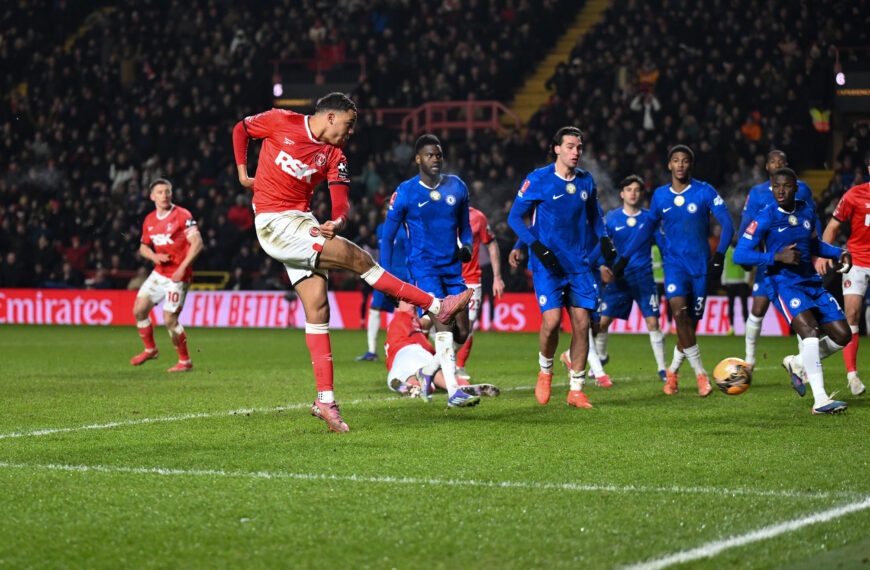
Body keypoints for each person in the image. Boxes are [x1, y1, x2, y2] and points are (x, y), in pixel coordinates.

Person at [232, 93, 472, 433]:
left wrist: (338, 222)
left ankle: (325, 402)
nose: (350, 133)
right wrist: (244, 174)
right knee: (358, 258)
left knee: (318, 309)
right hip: (274, 222)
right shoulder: (279, 121)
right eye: (348, 124)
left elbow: (341, 204)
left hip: (302, 221)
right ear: (330, 118)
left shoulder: (335, 156)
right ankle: (436, 305)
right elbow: (240, 130)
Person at [507, 126, 616, 408]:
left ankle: (576, 388)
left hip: (579, 266)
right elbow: (516, 218)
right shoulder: (538, 179)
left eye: (579, 147)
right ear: (557, 149)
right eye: (570, 146)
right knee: (552, 322)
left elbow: (595, 215)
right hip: (548, 265)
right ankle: (545, 371)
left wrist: (603, 238)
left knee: (583, 325)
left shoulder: (585, 181)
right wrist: (534, 246)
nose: (576, 152)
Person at [613, 145, 735, 396]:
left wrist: (720, 256)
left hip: (700, 267)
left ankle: (672, 372)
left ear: (691, 165)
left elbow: (728, 225)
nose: (680, 165)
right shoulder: (659, 195)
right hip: (674, 266)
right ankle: (701, 376)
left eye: (685, 161)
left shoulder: (704, 191)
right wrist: (624, 257)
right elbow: (646, 229)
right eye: (676, 161)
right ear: (669, 165)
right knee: (679, 315)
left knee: (688, 325)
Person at [734, 168, 852, 414]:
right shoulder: (765, 216)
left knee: (843, 335)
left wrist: (837, 252)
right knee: (809, 332)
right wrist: (776, 256)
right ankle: (820, 400)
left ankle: (797, 363)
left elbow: (814, 244)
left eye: (786, 186)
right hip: (783, 284)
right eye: (776, 186)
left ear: (795, 187)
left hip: (811, 283)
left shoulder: (806, 210)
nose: (780, 191)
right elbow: (740, 253)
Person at [379, 134, 480, 408]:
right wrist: (386, 277)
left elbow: (466, 226)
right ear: (417, 159)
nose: (435, 159)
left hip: (452, 269)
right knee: (443, 323)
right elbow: (388, 237)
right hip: (423, 270)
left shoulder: (457, 187)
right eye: (429, 155)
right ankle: (453, 393)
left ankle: (427, 372)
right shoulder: (406, 192)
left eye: (438, 155)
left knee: (462, 331)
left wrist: (467, 245)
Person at [736, 150, 820, 370]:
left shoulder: (803, 189)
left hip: (797, 263)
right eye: (773, 161)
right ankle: (749, 360)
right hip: (771, 262)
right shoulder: (757, 193)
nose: (777, 164)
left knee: (803, 313)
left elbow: (814, 218)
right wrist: (744, 248)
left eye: (781, 161)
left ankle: (804, 367)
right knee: (758, 309)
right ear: (767, 167)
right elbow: (747, 223)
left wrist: (818, 251)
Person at [595, 175, 668, 382]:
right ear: (622, 194)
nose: (633, 193)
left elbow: (662, 245)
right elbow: (603, 246)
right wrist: (601, 265)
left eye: (637, 189)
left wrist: (669, 264)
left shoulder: (650, 219)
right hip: (618, 278)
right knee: (601, 322)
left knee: (653, 322)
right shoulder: (611, 218)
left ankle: (663, 370)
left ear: (641, 194)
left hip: (643, 277)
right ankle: (601, 357)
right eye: (629, 189)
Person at [130, 178, 204, 373]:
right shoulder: (150, 220)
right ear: (152, 196)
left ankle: (185, 361)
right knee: (139, 310)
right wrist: (154, 256)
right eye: (160, 192)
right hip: (160, 273)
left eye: (168, 192)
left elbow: (197, 243)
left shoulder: (182, 215)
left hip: (178, 276)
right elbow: (143, 247)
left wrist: (183, 268)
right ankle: (150, 349)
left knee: (169, 319)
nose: (165, 195)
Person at [820, 150, 870, 397]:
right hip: (858, 261)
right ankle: (852, 375)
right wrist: (823, 255)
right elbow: (833, 226)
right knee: (852, 314)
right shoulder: (854, 194)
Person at [385, 301, 499, 400]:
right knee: (439, 375)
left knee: (404, 378)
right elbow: (423, 339)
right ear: (397, 307)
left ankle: (412, 385)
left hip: (395, 366)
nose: (413, 306)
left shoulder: (391, 332)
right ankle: (459, 387)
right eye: (407, 302)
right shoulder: (406, 316)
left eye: (413, 303)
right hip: (413, 352)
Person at [455, 206, 505, 381]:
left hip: (471, 279)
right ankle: (433, 363)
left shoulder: (478, 217)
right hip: (446, 277)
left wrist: (497, 277)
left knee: (468, 324)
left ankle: (459, 366)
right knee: (432, 323)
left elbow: (492, 245)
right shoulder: (438, 211)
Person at [355, 202, 410, 362]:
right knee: (374, 309)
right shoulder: (381, 228)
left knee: (407, 313)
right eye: (385, 209)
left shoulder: (406, 228)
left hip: (402, 276)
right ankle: (372, 351)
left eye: (390, 208)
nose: (387, 211)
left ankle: (416, 346)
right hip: (383, 276)